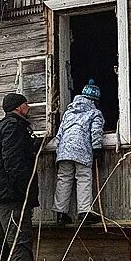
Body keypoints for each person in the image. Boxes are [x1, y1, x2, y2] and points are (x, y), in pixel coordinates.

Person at [0, 92, 40, 261]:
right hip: (12, 196)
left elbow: (13, 155)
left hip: (2, 195)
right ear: (19, 107)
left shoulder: (2, 127)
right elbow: (13, 162)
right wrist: (24, 189)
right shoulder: (13, 127)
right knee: (20, 243)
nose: (28, 107)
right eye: (26, 104)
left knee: (2, 245)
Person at [52, 79, 104, 226]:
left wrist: (57, 151)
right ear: (94, 100)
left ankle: (61, 214)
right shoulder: (95, 113)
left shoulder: (69, 113)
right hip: (82, 151)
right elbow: (96, 132)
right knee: (83, 178)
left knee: (64, 179)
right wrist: (97, 150)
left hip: (64, 151)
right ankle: (84, 212)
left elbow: (60, 134)